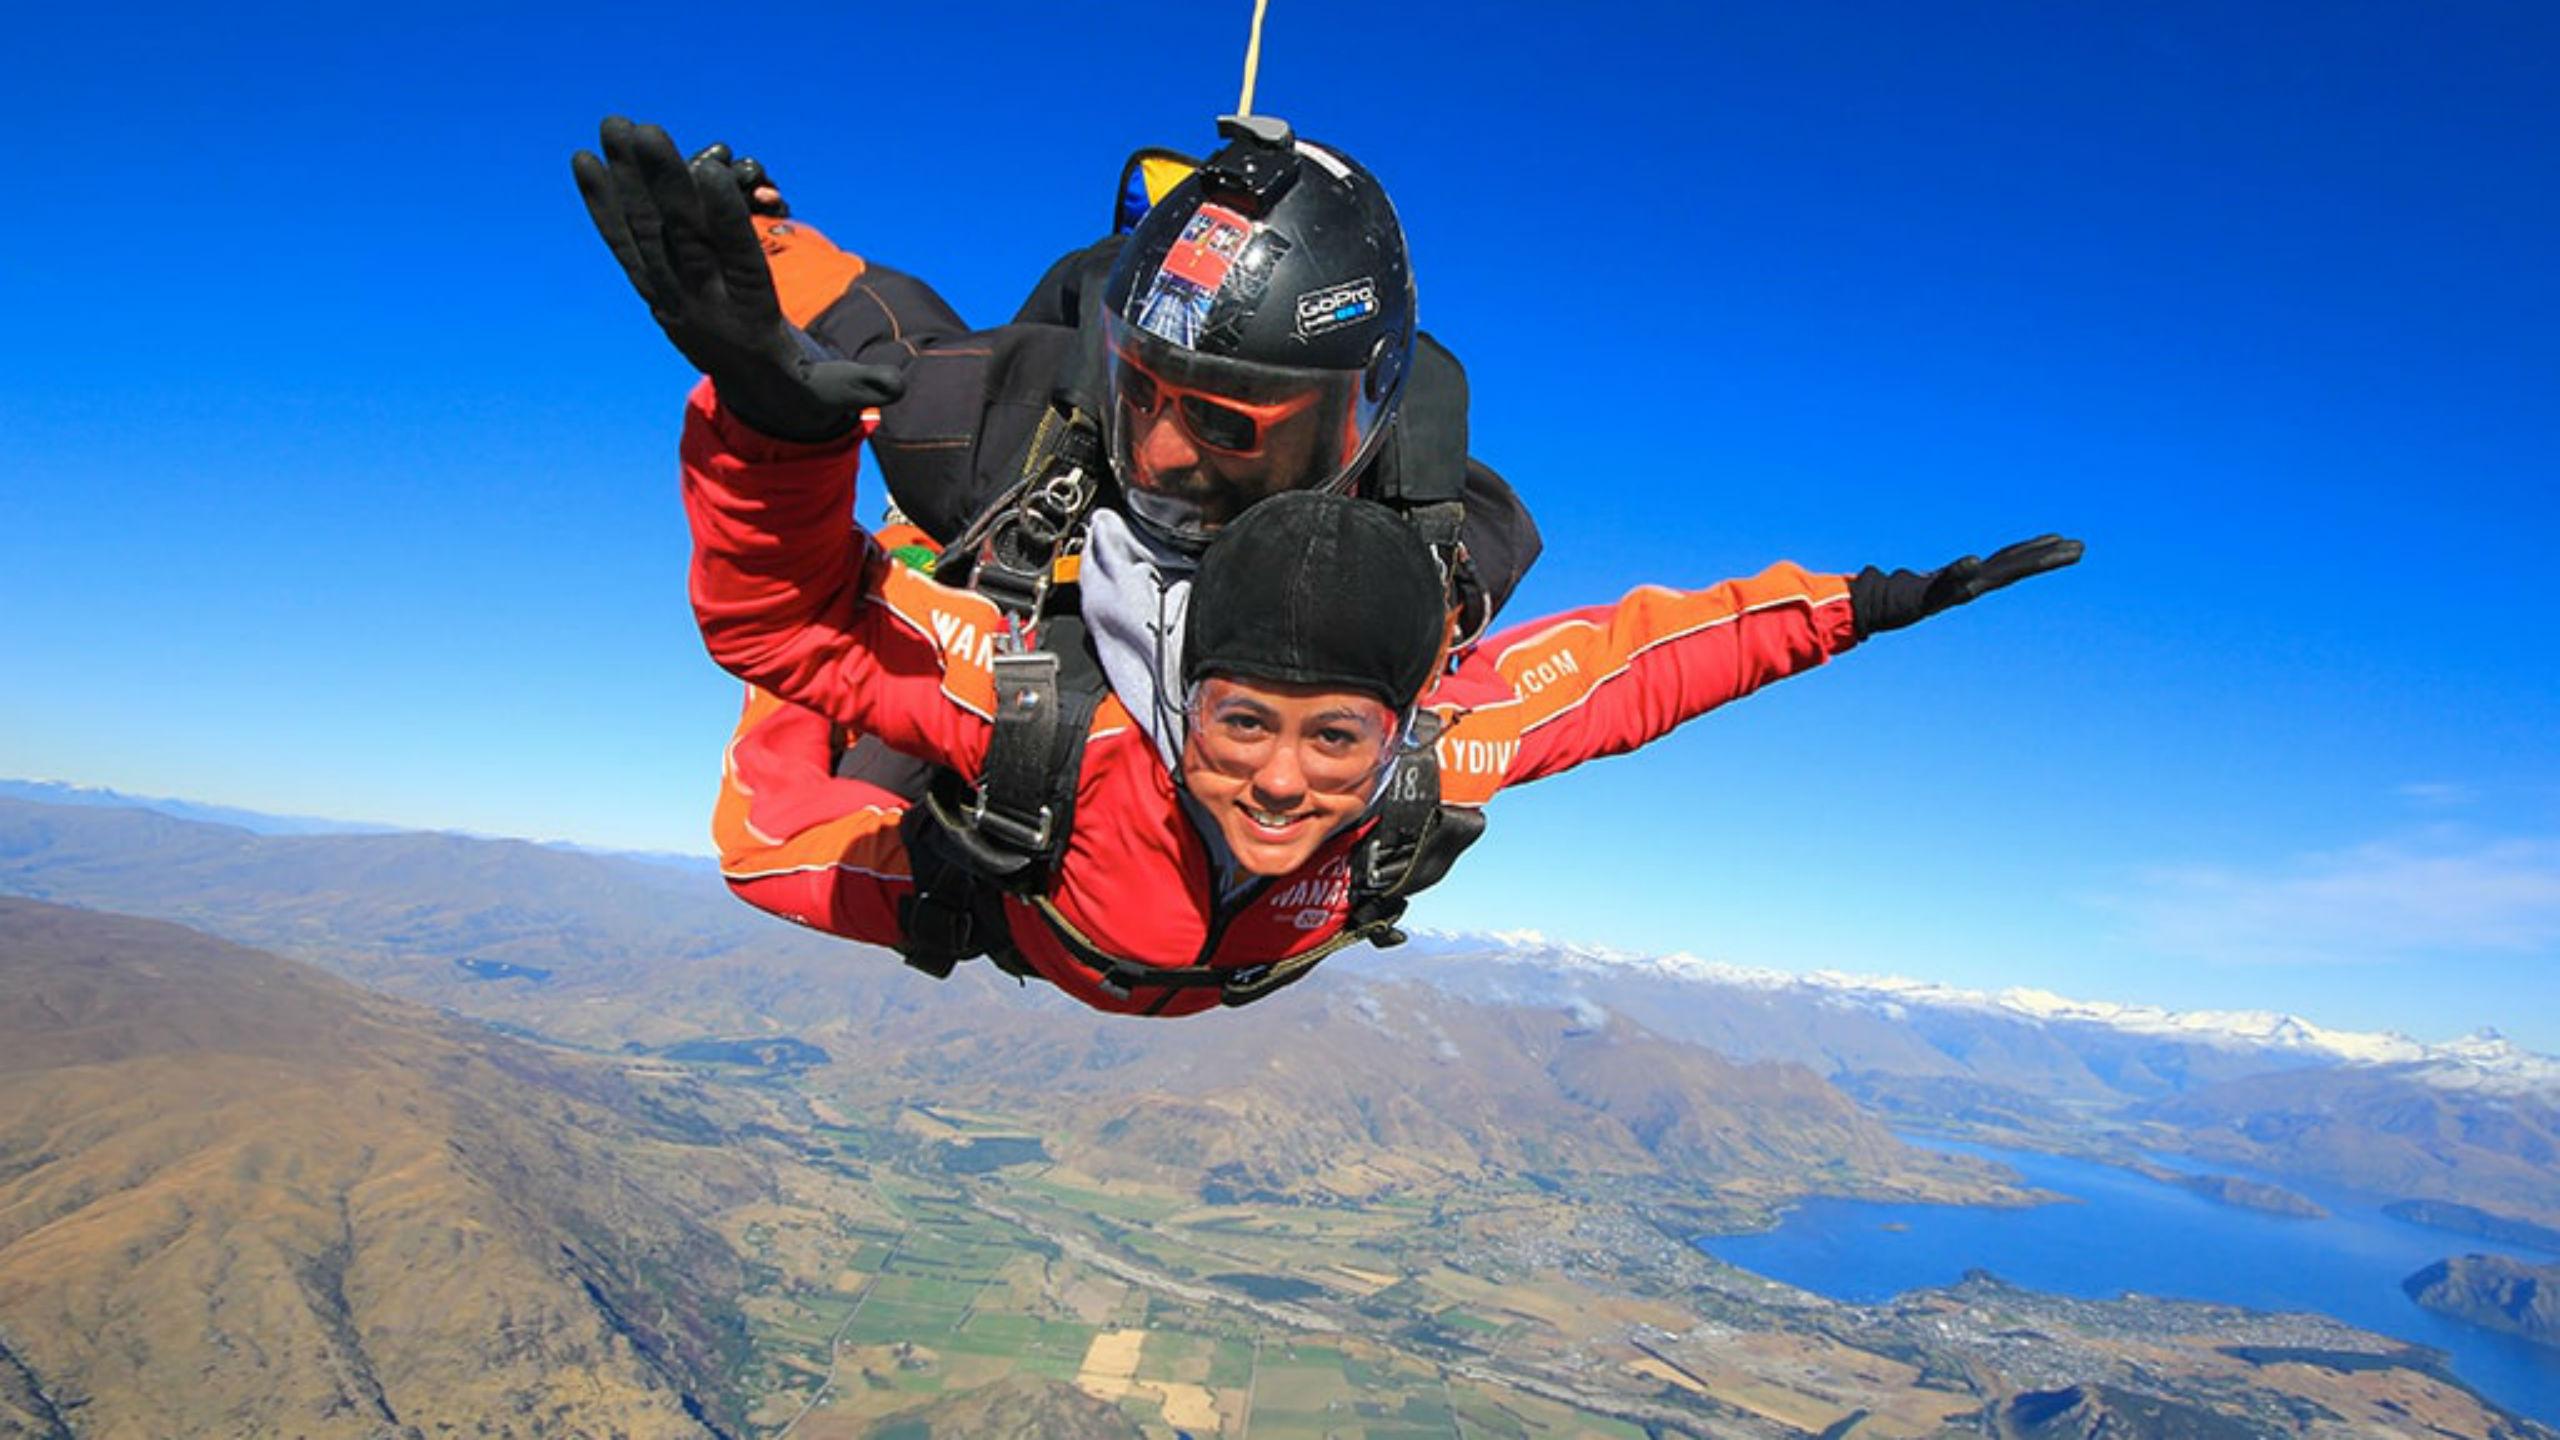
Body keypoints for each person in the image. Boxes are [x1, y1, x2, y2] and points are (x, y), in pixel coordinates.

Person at [574, 116, 2085, 1019]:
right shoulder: (1055, 679)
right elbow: (804, 555)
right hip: (1020, 882)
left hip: (1099, 902)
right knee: (773, 825)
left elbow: (1644, 668)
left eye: (1225, 420)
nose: (1167, 452)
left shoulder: (1429, 679)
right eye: (1146, 399)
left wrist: (1868, 606)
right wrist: (766, 406)